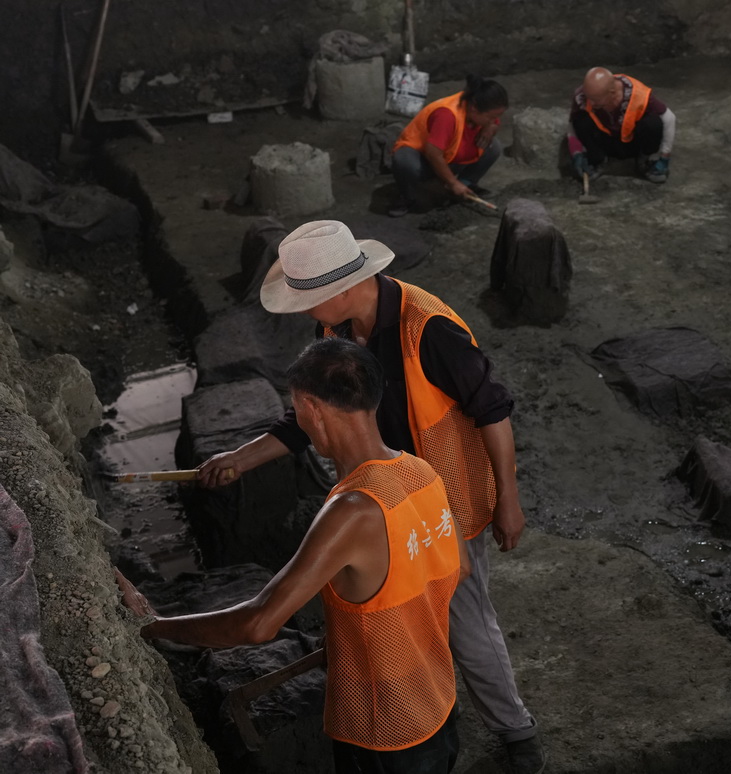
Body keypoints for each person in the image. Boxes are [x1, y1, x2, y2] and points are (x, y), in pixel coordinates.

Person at [197, 220, 547, 774]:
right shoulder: (336, 335)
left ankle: (516, 731)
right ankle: (426, 703)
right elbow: (308, 417)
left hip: (442, 496)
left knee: (464, 614)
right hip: (385, 491)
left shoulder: (428, 329)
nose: (306, 317)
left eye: (307, 303)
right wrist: (241, 458)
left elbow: (493, 410)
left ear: (337, 291)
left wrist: (509, 499)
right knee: (403, 616)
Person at [118, 336, 470, 774]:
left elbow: (258, 623)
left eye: (296, 407)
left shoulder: (351, 511)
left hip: (385, 730)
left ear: (310, 408)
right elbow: (457, 567)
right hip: (438, 701)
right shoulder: (420, 472)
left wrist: (152, 626)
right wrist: (363, 634)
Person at [389, 74, 508, 217]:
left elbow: (492, 122)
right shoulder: (446, 115)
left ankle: (465, 186)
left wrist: (491, 127)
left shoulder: (474, 106)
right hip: (425, 160)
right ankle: (407, 197)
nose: (494, 121)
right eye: (491, 118)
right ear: (475, 109)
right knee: (404, 161)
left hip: (450, 158)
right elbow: (433, 154)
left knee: (493, 147)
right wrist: (452, 183)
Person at [567, 66, 676, 184]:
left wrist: (665, 157)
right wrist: (576, 152)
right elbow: (573, 124)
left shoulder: (637, 94)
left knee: (652, 123)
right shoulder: (582, 96)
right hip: (605, 141)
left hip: (632, 142)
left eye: (595, 100)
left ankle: (644, 160)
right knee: (581, 120)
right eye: (588, 97)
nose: (590, 103)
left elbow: (669, 118)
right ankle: (598, 160)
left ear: (612, 93)